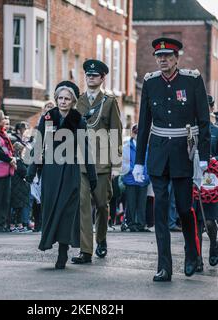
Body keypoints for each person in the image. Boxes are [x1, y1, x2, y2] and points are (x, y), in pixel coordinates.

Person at [133, 37, 211, 282]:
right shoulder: (150, 82)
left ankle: (192, 254)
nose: (163, 60)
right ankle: (164, 266)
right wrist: (138, 160)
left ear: (177, 58)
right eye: (159, 57)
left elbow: (204, 121)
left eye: (167, 56)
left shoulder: (192, 80)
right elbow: (144, 123)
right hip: (157, 153)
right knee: (160, 210)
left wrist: (204, 158)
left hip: (183, 152)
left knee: (185, 208)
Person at [27, 81, 97, 269]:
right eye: (60, 98)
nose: (63, 101)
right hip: (50, 170)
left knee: (66, 211)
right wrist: (31, 170)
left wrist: (92, 176)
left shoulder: (79, 120)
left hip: (70, 170)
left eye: (67, 98)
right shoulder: (48, 118)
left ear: (73, 101)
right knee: (51, 209)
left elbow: (86, 149)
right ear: (56, 99)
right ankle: (50, 242)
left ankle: (63, 252)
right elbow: (38, 145)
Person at [72, 59, 123, 264]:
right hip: (81, 162)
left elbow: (116, 134)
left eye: (95, 75)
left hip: (102, 164)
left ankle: (101, 238)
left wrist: (116, 165)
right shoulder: (78, 101)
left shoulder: (109, 102)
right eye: (88, 75)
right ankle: (86, 250)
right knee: (84, 205)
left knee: (102, 205)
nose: (90, 78)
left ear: (102, 78)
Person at [195, 95, 218, 272]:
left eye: (205, 106)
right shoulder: (190, 130)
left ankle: (213, 243)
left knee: (208, 222)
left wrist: (213, 159)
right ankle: (197, 258)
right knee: (195, 223)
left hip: (211, 182)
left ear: (211, 108)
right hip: (193, 179)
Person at [121, 124, 150, 232]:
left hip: (143, 180)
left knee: (142, 204)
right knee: (131, 203)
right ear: (132, 133)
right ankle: (131, 223)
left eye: (139, 132)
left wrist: (146, 175)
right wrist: (134, 171)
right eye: (136, 132)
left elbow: (148, 162)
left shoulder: (146, 147)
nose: (138, 134)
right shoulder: (126, 147)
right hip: (130, 180)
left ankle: (141, 224)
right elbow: (123, 163)